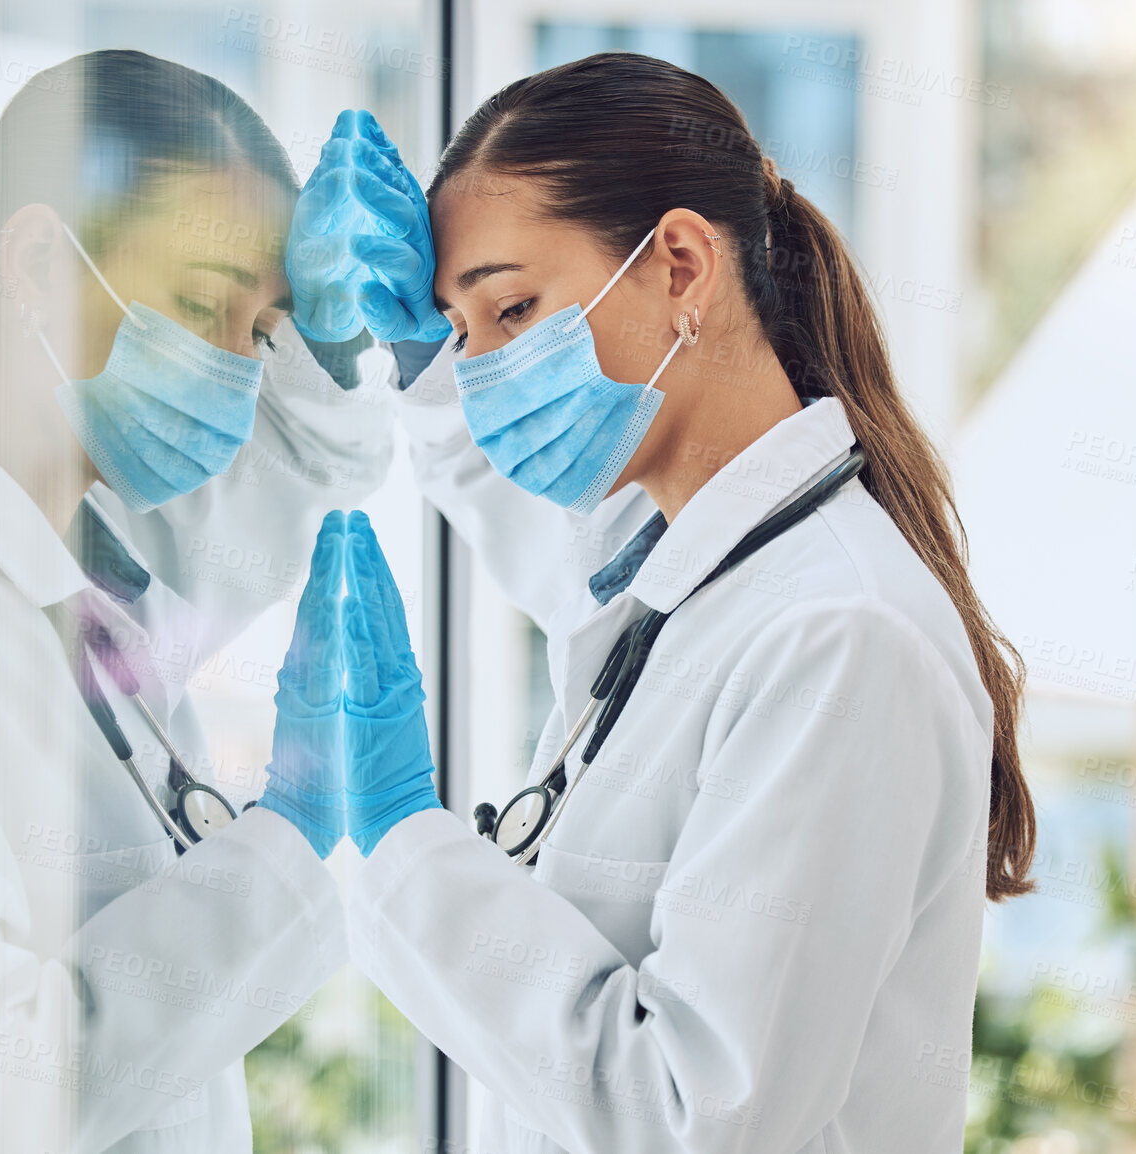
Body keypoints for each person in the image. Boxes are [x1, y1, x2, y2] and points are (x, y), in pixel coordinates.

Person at [290, 54, 1037, 1152]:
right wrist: (423, 369)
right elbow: (564, 556)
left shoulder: (837, 638)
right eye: (463, 332)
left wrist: (406, 843)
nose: (488, 371)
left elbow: (695, 1117)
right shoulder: (687, 569)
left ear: (681, 262)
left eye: (513, 308)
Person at [0, 50, 398, 1152]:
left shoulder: (94, 568)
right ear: (36, 263)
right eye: (205, 305)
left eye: (256, 335)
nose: (237, 374)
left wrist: (333, 336)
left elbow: (309, 466)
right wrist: (282, 853)